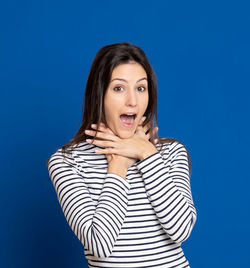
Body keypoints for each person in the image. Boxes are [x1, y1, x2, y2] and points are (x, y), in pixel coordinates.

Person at [47, 42, 197, 268]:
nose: (132, 101)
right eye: (119, 88)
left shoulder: (171, 153)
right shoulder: (67, 162)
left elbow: (181, 229)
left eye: (141, 88)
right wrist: (119, 165)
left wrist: (146, 153)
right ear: (99, 94)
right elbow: (100, 245)